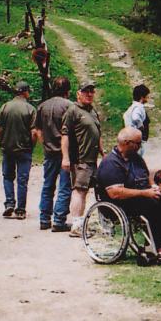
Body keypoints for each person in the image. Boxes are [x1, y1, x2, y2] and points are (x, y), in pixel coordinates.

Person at [96, 128, 161, 250]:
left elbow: (145, 175)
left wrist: (153, 186)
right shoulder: (110, 163)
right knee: (155, 206)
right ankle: (157, 246)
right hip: (121, 203)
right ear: (126, 142)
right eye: (138, 143)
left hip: (141, 196)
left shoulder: (136, 158)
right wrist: (144, 193)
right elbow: (115, 193)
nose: (140, 146)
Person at [60, 81, 104, 237]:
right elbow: (64, 136)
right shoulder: (72, 111)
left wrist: (102, 152)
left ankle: (80, 224)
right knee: (79, 190)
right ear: (78, 93)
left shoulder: (92, 111)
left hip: (92, 159)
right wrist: (65, 158)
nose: (89, 94)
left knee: (84, 191)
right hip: (80, 159)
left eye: (92, 91)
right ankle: (76, 226)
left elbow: (97, 132)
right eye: (86, 91)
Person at [0, 79, 38, 220]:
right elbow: (34, 132)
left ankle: (9, 203)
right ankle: (20, 210)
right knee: (22, 180)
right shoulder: (30, 109)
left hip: (7, 148)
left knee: (7, 177)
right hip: (24, 149)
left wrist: (2, 139)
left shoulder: (5, 106)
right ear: (26, 92)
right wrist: (32, 146)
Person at [34, 75, 73, 230]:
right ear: (67, 91)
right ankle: (59, 220)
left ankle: (44, 219)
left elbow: (37, 130)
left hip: (49, 152)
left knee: (48, 186)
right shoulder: (69, 106)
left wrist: (44, 144)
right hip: (65, 154)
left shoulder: (42, 106)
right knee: (64, 187)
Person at [123, 84, 151, 155]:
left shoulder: (132, 107)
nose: (148, 97)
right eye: (147, 95)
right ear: (142, 97)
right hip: (136, 141)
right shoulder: (138, 107)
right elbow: (135, 117)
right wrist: (140, 126)